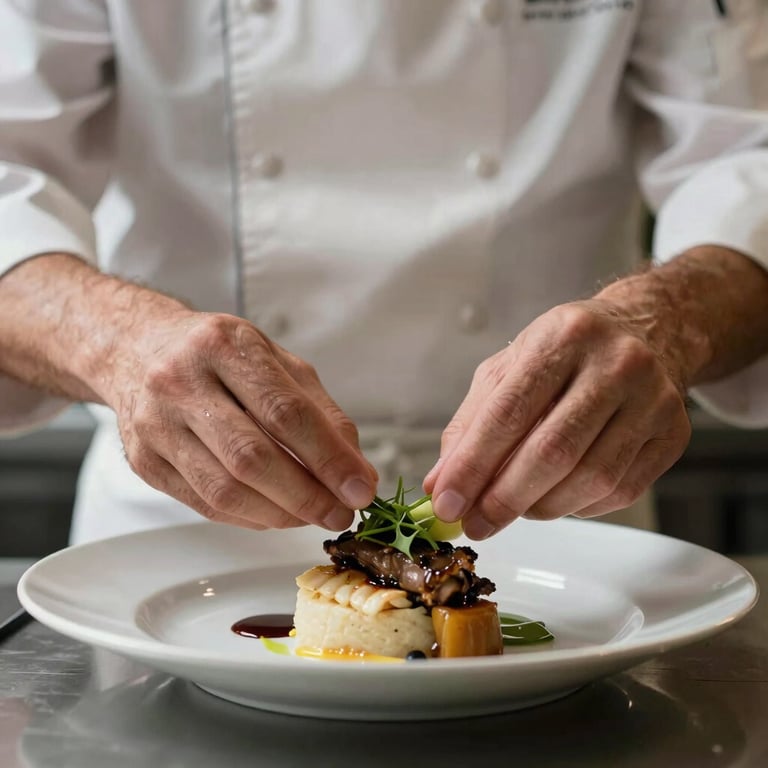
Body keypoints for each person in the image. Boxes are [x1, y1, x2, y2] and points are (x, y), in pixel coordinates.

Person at [0, 1, 767, 545]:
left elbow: (747, 158)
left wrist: (665, 321)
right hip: (182, 521)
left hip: (564, 508)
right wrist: (119, 344)